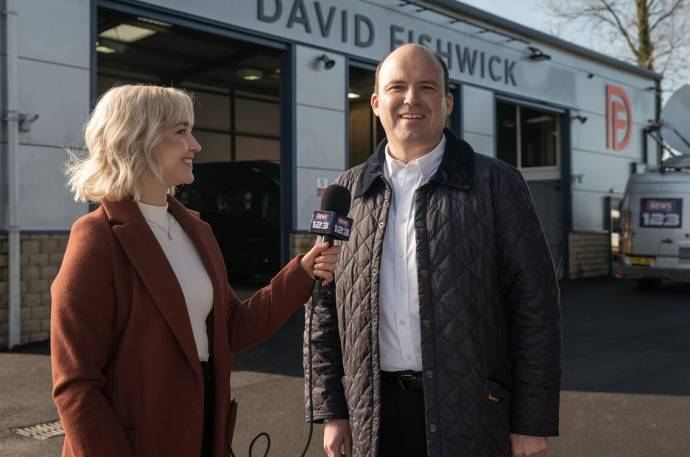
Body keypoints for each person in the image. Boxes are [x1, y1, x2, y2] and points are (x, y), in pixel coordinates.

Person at [50, 84, 340, 457]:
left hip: (204, 433)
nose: (196, 145)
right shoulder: (96, 238)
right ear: (140, 139)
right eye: (181, 131)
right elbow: (76, 386)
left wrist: (300, 271)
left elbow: (232, 327)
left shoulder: (196, 230)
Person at [304, 44, 561, 457]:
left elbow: (535, 307)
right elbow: (322, 308)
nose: (411, 98)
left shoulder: (497, 185)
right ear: (375, 102)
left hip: (471, 415)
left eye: (426, 87)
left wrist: (531, 422)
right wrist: (333, 411)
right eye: (397, 87)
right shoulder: (346, 192)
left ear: (447, 102)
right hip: (374, 415)